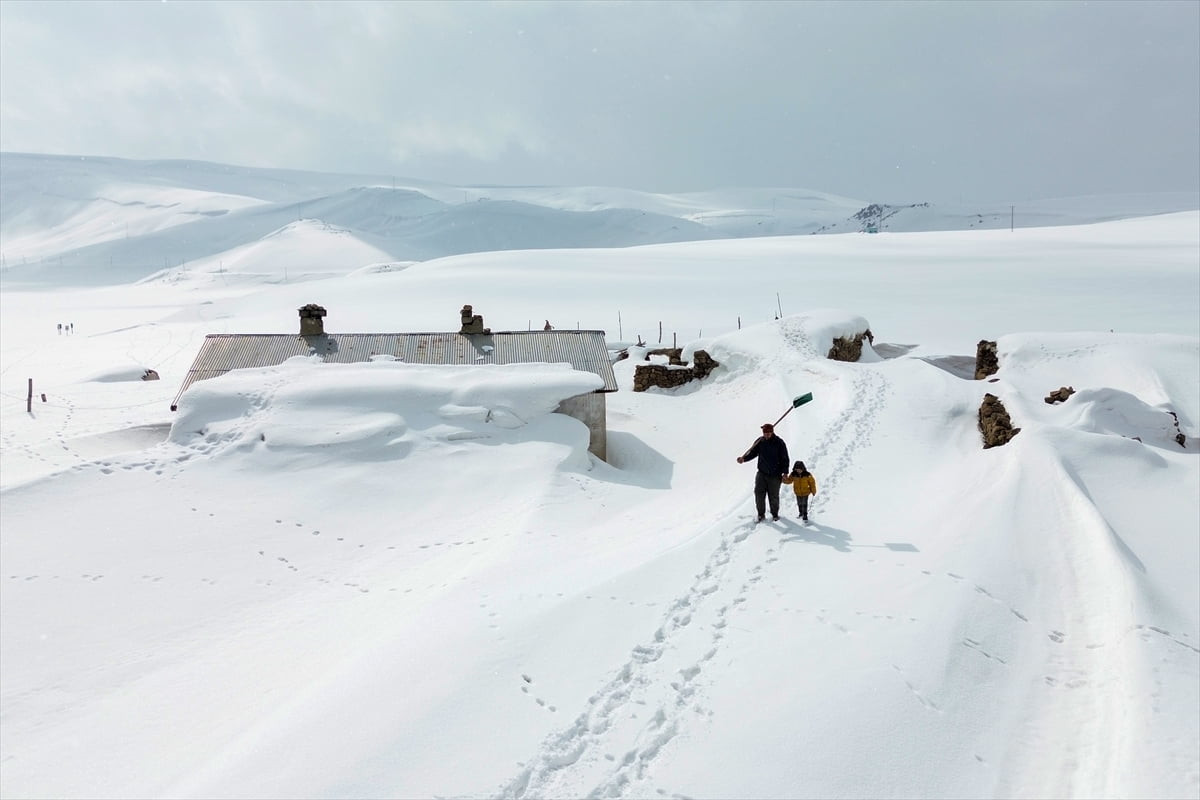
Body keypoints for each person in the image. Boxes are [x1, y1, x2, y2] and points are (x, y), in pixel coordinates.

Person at [737, 423, 789, 522]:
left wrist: (785, 472)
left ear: (772, 432)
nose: (767, 435)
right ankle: (761, 514)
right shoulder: (760, 441)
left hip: (775, 474)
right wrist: (744, 459)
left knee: (773, 496)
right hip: (761, 473)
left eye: (769, 433)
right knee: (759, 494)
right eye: (765, 433)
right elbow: (753, 453)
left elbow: (785, 458)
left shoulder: (779, 443)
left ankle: (775, 514)